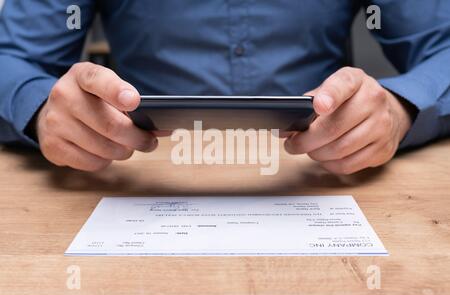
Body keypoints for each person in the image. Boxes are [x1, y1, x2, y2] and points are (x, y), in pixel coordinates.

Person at [0, 1, 449, 175]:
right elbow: (12, 58)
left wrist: (399, 106)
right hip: (137, 178)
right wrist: (41, 108)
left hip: (327, 175)